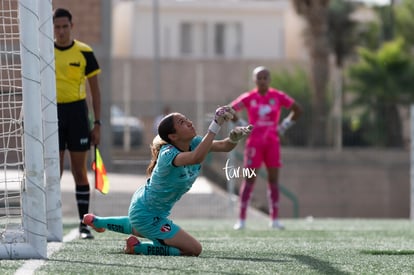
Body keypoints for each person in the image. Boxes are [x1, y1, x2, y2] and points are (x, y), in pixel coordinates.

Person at [82, 106, 253, 256]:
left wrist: (234, 139)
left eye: (186, 119)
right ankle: (141, 249)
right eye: (182, 123)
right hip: (147, 212)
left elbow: (224, 146)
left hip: (145, 208)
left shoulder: (195, 142)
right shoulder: (168, 154)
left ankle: (98, 222)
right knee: (194, 249)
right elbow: (196, 157)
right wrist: (215, 124)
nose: (189, 122)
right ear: (173, 136)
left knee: (140, 225)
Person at [229, 66, 302, 230]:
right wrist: (241, 125)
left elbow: (297, 109)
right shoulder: (249, 97)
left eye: (265, 77)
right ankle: (241, 219)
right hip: (254, 144)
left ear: (269, 80)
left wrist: (283, 126)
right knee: (249, 180)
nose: (262, 80)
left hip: (272, 143)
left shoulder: (277, 96)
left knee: (273, 180)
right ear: (254, 80)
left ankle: (274, 219)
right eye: (259, 78)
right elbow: (230, 109)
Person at [53, 8, 102, 239]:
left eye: (65, 26)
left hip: (78, 114)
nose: (61, 31)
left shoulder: (85, 52)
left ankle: (84, 225)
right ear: (52, 28)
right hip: (52, 114)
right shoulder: (45, 52)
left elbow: (95, 92)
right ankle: (49, 222)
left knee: (79, 171)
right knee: (54, 172)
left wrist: (98, 123)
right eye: (57, 27)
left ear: (72, 26)